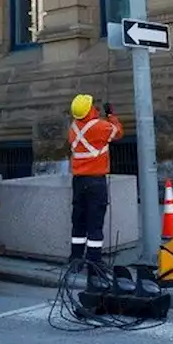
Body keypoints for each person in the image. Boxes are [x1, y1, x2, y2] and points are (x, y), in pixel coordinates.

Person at [67, 93, 123, 281]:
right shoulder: (100, 126)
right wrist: (111, 115)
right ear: (89, 110)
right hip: (96, 181)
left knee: (79, 220)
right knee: (95, 223)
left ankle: (75, 259)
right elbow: (118, 132)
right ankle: (94, 262)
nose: (96, 108)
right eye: (93, 106)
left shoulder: (73, 128)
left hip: (78, 181)